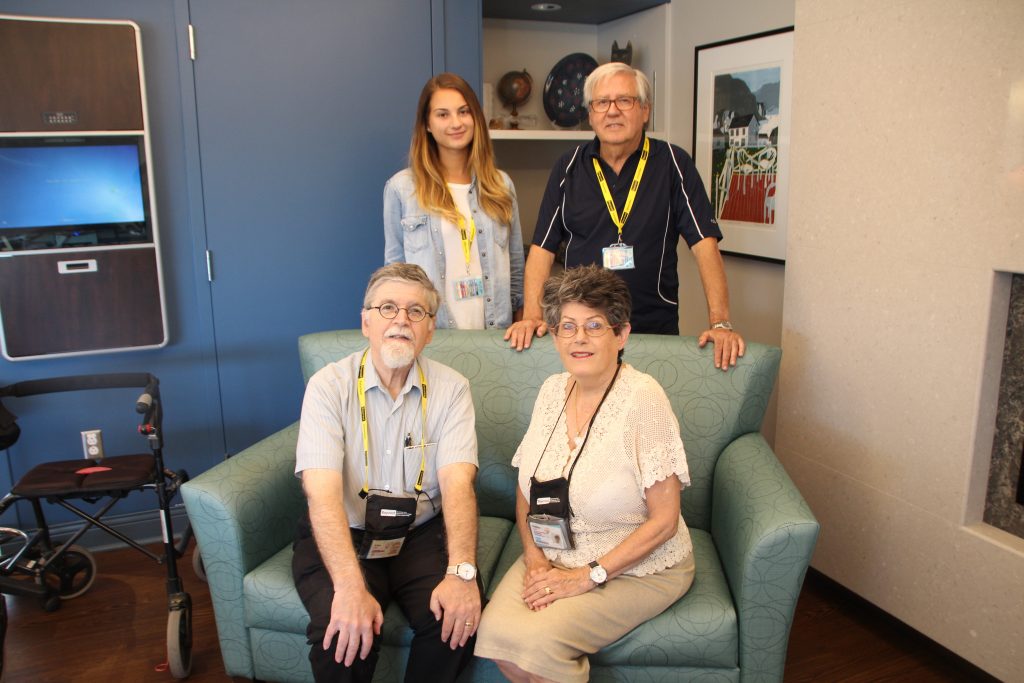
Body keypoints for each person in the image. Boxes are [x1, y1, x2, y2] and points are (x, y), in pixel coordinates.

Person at [476, 264, 696, 683]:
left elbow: (665, 522)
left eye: (594, 325)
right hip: (553, 555)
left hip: (636, 565)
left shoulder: (643, 400)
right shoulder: (551, 390)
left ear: (621, 334)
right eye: (567, 326)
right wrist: (535, 557)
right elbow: (527, 488)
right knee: (497, 636)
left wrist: (588, 577)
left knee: (538, 647)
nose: (579, 338)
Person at [292, 263, 482, 683]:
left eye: (416, 312)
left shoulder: (452, 389)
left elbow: (457, 483)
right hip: (348, 532)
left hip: (420, 535)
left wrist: (462, 572)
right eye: (388, 308)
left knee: (457, 622)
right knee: (342, 633)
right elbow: (321, 495)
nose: (401, 320)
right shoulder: (328, 386)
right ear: (366, 321)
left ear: (430, 329)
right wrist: (348, 587)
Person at [503, 62, 746, 370]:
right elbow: (541, 250)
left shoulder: (673, 163)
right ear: (591, 114)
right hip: (583, 334)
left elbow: (704, 245)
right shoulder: (568, 167)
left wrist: (720, 322)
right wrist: (532, 318)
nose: (612, 111)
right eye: (601, 102)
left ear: (645, 110)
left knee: (649, 417)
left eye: (624, 100)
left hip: (653, 333)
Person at [385, 72, 525, 330]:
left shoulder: (501, 185)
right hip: (432, 337)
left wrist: (521, 320)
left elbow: (516, 264)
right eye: (443, 114)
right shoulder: (402, 188)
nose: (456, 122)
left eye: (464, 111)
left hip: (496, 335)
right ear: (426, 124)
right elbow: (395, 274)